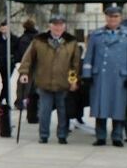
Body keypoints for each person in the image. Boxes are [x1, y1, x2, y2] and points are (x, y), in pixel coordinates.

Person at [18, 14, 80, 144]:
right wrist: (24, 72)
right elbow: (28, 58)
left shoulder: (71, 42)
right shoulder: (39, 40)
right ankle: (43, 135)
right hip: (44, 82)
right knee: (44, 111)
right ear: (50, 26)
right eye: (55, 24)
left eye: (60, 24)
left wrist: (73, 80)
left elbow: (74, 64)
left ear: (64, 26)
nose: (58, 27)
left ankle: (62, 135)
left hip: (63, 83)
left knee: (63, 112)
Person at [82, 4, 127, 146]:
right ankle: (100, 136)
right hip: (100, 77)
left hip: (121, 77)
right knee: (100, 107)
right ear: (106, 18)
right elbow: (89, 56)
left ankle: (117, 137)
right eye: (110, 16)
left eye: (115, 16)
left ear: (120, 18)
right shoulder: (96, 35)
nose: (112, 19)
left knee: (118, 107)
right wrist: (87, 75)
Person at [0, 20, 21, 107]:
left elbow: (18, 51)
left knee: (6, 81)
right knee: (5, 81)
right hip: (1, 64)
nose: (3, 29)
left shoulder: (14, 38)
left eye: (5, 27)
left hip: (10, 63)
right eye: (2, 28)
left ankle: (3, 100)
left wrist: (15, 59)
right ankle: (4, 100)